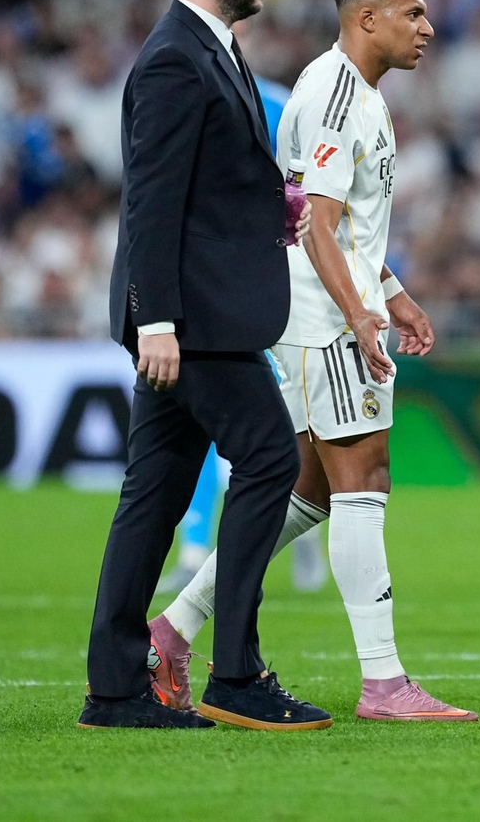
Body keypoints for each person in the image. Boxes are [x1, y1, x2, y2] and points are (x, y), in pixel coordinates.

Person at [148, 0, 476, 722]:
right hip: (324, 319)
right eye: (413, 13)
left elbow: (340, 223)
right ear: (367, 18)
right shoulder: (336, 95)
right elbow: (319, 226)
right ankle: (384, 682)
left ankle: (174, 625)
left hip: (328, 309)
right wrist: (360, 315)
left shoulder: (355, 91)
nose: (428, 28)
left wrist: (392, 292)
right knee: (366, 475)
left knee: (311, 490)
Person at [80, 0, 329, 731]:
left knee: (152, 495)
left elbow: (199, 190)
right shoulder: (174, 59)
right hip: (192, 324)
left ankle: (115, 689)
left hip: (199, 316)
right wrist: (155, 320)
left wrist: (275, 208)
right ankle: (235, 673)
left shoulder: (208, 49)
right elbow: (150, 201)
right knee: (270, 461)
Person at [159, 72, 328, 598]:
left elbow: (304, 197)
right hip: (240, 281)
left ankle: (294, 535)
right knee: (231, 417)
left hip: (275, 282)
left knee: (276, 421)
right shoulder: (271, 102)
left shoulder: (272, 106)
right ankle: (195, 550)